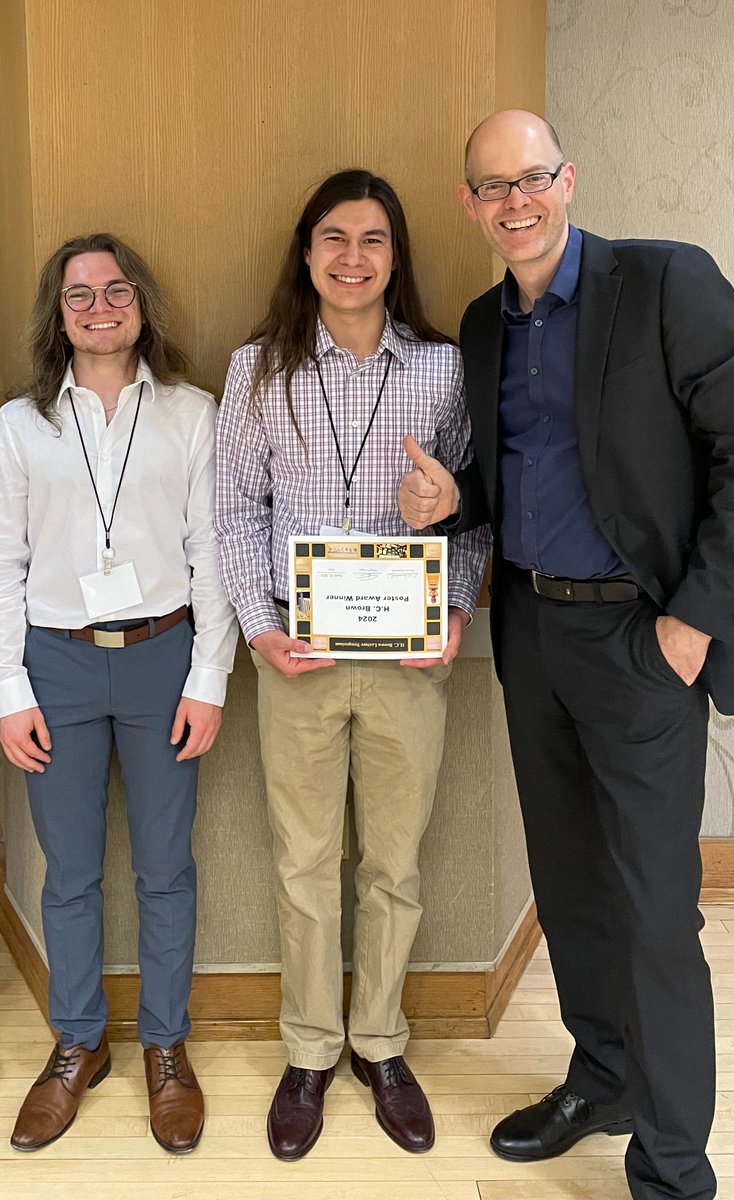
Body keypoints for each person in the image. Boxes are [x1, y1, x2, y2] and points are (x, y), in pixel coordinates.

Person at [398, 110, 734, 1200]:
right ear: (469, 205)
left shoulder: (667, 285)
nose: (514, 202)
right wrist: (456, 499)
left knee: (655, 903)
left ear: (568, 180)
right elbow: (527, 473)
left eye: (531, 178)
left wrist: (692, 620)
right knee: (570, 883)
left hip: (643, 636)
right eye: (491, 187)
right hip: (533, 632)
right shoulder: (485, 325)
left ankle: (672, 1163)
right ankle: (605, 1077)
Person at [215, 169, 489, 1160]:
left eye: (373, 240)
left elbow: (471, 506)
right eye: (334, 237)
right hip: (296, 654)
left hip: (410, 659)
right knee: (302, 863)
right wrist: (255, 628)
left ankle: (380, 1042)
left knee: (395, 863)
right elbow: (235, 510)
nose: (353, 258)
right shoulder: (258, 370)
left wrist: (455, 605)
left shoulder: (442, 370)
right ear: (305, 250)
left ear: (396, 256)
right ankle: (308, 1052)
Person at [0, 233, 237, 1154]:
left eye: (115, 289)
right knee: (70, 873)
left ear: (141, 302)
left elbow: (214, 554)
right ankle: (77, 1043)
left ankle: (166, 1046)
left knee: (167, 868)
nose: (98, 305)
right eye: (77, 293)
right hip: (57, 664)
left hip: (166, 659)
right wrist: (9, 687)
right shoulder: (21, 424)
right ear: (58, 312)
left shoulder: (194, 414)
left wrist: (210, 678)